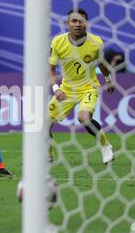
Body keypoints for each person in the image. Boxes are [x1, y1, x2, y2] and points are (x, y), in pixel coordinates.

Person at [48, 9, 115, 164]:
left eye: (81, 21)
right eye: (74, 21)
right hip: (66, 90)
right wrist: (56, 88)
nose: (77, 24)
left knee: (83, 118)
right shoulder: (58, 42)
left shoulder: (96, 42)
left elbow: (101, 63)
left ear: (86, 24)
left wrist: (108, 80)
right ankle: (47, 155)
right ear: (67, 24)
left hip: (88, 87)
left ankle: (106, 146)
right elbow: (50, 68)